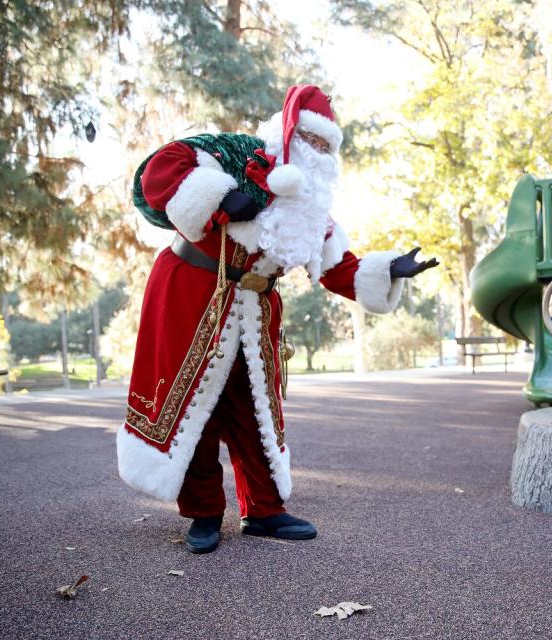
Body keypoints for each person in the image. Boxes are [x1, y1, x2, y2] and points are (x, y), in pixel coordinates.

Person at [116, 84, 438, 554]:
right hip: (192, 294)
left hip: (255, 310)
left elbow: (336, 267)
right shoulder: (237, 155)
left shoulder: (313, 211)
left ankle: (264, 510)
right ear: (291, 134)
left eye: (327, 146)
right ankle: (203, 514)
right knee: (195, 408)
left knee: (256, 411)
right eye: (312, 141)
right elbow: (159, 172)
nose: (319, 152)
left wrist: (388, 269)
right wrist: (222, 198)